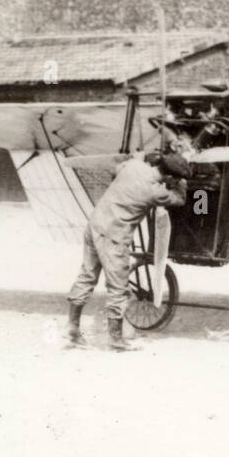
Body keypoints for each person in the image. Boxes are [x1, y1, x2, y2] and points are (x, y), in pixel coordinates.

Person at [67, 150, 191, 350]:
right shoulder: (155, 192)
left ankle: (72, 328)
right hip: (114, 236)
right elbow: (179, 200)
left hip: (95, 225)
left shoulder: (134, 167)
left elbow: (119, 168)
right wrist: (182, 184)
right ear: (168, 177)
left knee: (87, 276)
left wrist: (145, 157)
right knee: (118, 288)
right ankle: (116, 339)